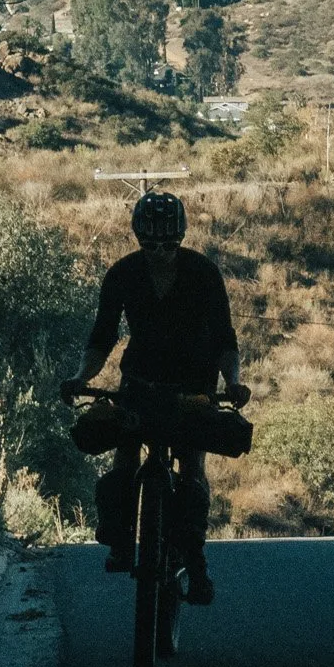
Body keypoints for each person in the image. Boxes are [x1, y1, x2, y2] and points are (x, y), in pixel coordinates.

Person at [61, 191, 246, 606]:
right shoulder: (122, 274)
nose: (160, 253)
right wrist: (79, 377)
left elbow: (224, 339)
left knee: (193, 467)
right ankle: (120, 540)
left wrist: (232, 382)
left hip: (193, 386)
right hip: (139, 382)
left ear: (180, 238)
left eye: (169, 245)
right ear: (138, 239)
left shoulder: (204, 273)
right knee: (123, 460)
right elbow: (101, 339)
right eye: (150, 245)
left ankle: (196, 562)